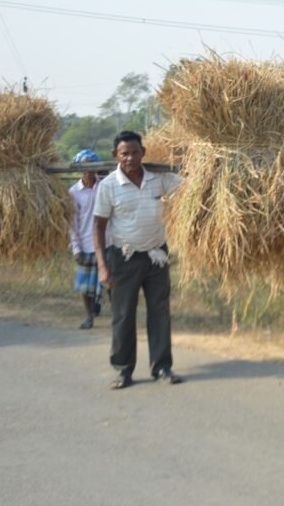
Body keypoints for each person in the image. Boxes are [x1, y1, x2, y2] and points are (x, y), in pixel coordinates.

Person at [94, 130, 184, 390]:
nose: (130, 158)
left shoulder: (159, 179)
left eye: (135, 152)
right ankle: (123, 370)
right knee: (123, 315)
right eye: (125, 153)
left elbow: (189, 186)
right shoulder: (108, 186)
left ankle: (162, 367)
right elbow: (98, 227)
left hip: (156, 257)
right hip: (123, 258)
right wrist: (102, 266)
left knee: (160, 312)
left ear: (143, 153)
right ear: (115, 155)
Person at [68, 149, 107, 329]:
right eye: (84, 167)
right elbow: (72, 223)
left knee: (110, 281)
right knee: (85, 286)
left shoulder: (105, 186)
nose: (88, 171)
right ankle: (89, 316)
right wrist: (76, 248)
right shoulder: (74, 192)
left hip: (106, 242)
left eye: (92, 166)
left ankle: (114, 315)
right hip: (85, 243)